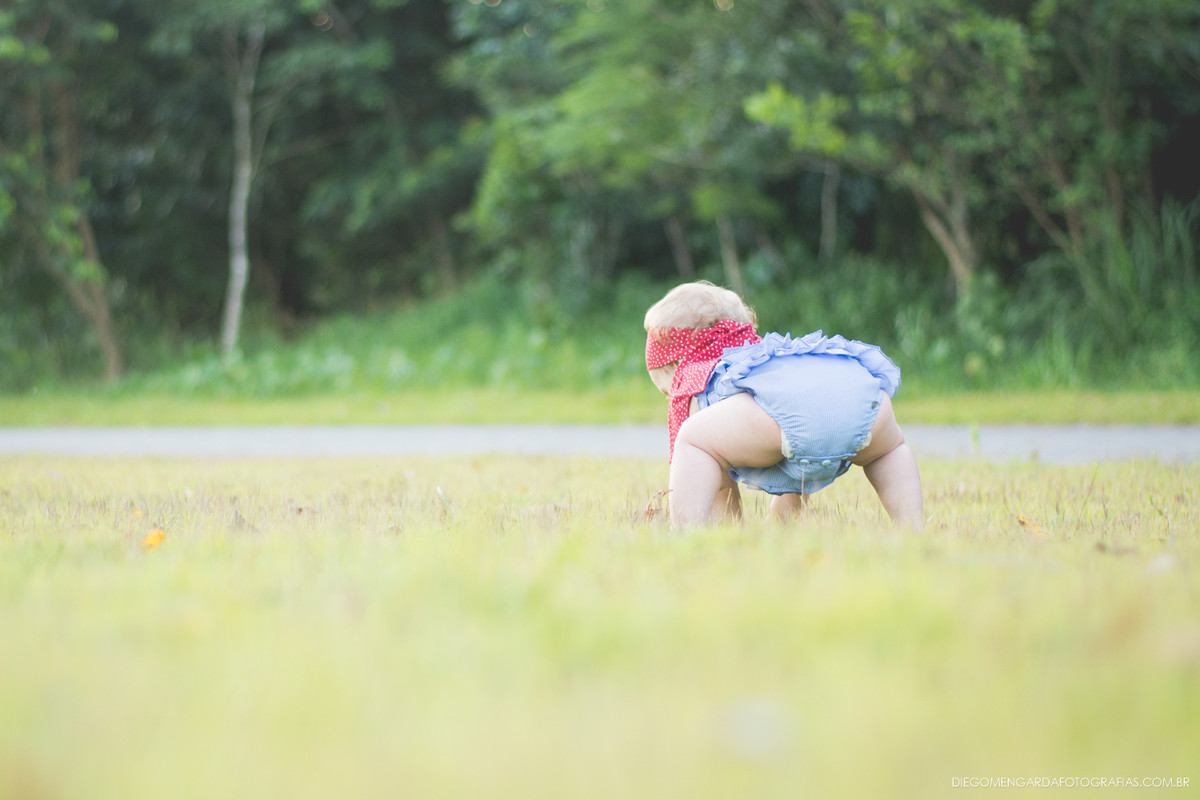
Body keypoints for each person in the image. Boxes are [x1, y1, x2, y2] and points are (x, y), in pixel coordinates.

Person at [644, 281, 923, 528]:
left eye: (666, 392)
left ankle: (687, 535)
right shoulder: (774, 365)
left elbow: (716, 481)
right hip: (860, 393)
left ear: (677, 367)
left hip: (787, 418)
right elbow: (803, 424)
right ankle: (913, 527)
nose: (672, 398)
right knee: (889, 449)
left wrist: (727, 525)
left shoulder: (698, 377)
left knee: (695, 440)